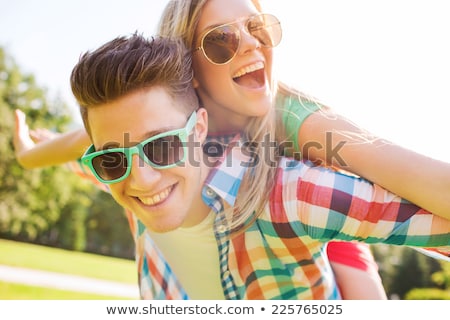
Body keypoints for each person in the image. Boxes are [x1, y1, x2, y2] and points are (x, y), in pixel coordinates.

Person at [13, 0, 450, 299]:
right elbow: (93, 142)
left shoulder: (298, 134)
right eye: (220, 40)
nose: (250, 45)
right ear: (188, 70)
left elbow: (405, 180)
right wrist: (33, 152)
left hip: (312, 216)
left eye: (258, 27)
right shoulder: (141, 148)